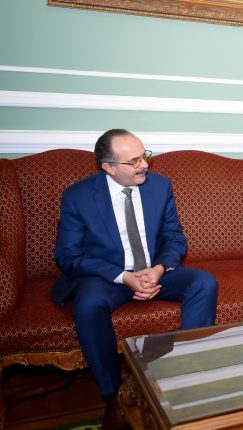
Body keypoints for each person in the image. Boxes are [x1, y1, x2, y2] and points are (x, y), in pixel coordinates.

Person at [52, 129, 218, 430]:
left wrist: (159, 269)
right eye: (134, 161)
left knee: (203, 283)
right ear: (109, 167)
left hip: (154, 271)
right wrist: (124, 277)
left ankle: (184, 378)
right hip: (108, 276)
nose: (144, 165)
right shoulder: (78, 196)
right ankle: (113, 396)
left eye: (144, 156)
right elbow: (68, 255)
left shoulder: (160, 186)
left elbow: (175, 238)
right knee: (88, 305)